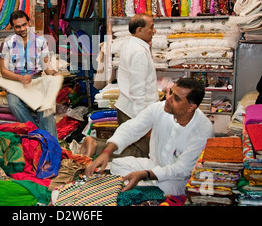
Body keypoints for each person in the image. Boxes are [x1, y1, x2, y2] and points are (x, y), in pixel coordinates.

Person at [85, 78, 214, 196]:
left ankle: (142, 185)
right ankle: (141, 184)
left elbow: (182, 169)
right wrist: (107, 151)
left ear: (191, 107)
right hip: (154, 165)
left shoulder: (202, 129)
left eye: (176, 98)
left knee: (163, 187)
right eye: (170, 93)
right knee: (117, 164)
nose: (168, 99)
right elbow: (132, 128)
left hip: (179, 179)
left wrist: (146, 174)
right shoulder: (159, 109)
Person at [81, 13, 158, 157]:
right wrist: (144, 120)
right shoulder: (139, 52)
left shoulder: (130, 45)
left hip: (127, 106)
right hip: (135, 110)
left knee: (130, 145)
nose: (154, 31)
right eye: (151, 27)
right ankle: (97, 145)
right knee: (140, 152)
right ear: (139, 30)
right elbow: (138, 89)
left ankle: (97, 145)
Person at [0, 10, 59, 138]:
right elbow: (3, 71)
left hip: (36, 79)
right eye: (18, 26)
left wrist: (54, 74)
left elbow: (46, 66)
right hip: (15, 82)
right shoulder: (7, 44)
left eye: (24, 25)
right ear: (13, 27)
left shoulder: (41, 42)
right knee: (13, 102)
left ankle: (52, 143)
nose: (22, 29)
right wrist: (20, 78)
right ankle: (37, 134)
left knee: (45, 106)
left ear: (29, 23)